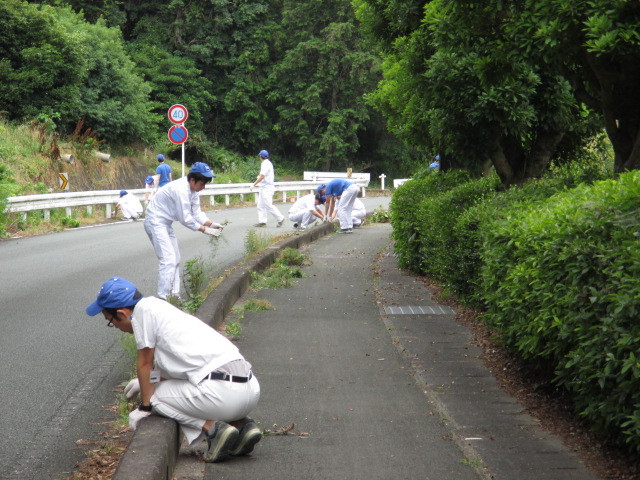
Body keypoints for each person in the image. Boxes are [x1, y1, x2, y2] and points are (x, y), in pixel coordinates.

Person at [86, 276, 261, 463]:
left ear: (121, 313)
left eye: (111, 321)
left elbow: (144, 363)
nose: (116, 327)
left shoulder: (142, 316)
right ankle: (242, 426)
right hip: (249, 389)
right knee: (160, 389)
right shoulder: (161, 310)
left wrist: (145, 408)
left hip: (224, 395)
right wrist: (143, 382)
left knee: (155, 398)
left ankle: (213, 429)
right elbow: (174, 373)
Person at [144, 162, 223, 300]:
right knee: (168, 259)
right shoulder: (180, 189)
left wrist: (211, 223)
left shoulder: (192, 190)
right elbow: (185, 218)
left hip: (165, 223)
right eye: (202, 184)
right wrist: (205, 230)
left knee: (175, 258)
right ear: (192, 180)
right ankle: (165, 298)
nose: (203, 187)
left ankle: (173, 295)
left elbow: (196, 212)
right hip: (155, 222)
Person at [251, 150, 285, 228]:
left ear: (260, 156)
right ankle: (262, 222)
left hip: (267, 188)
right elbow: (262, 175)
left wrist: (254, 184)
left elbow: (262, 176)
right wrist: (258, 179)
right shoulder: (266, 163)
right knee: (260, 205)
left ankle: (280, 218)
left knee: (268, 205)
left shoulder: (265, 164)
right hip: (264, 187)